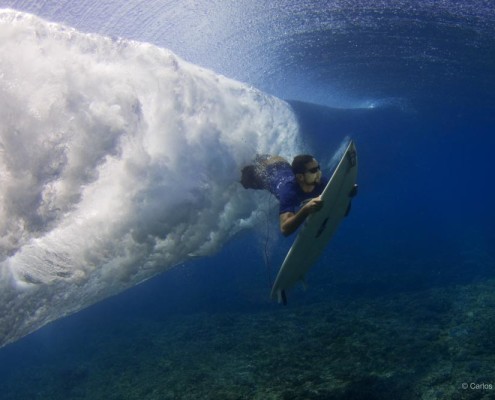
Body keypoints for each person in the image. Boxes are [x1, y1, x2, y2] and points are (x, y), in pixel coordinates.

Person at [241, 154, 330, 236]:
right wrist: (305, 209)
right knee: (243, 179)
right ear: (300, 177)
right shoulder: (289, 192)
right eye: (313, 170)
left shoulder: (320, 181)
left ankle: (256, 157)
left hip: (281, 163)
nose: (319, 173)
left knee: (261, 158)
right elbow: (284, 229)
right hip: (266, 174)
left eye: (318, 168)